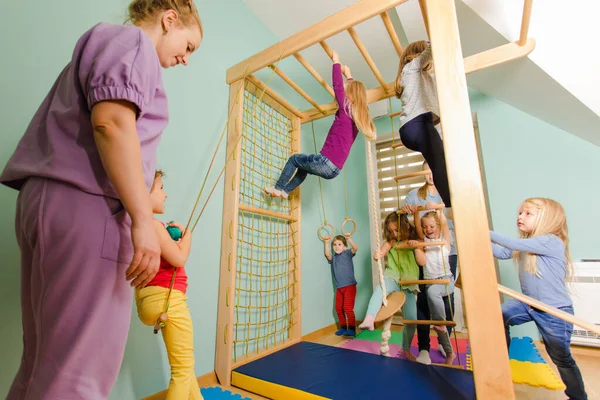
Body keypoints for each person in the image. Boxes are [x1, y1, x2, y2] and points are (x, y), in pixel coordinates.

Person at [0, 1, 203, 397]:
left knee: (42, 360)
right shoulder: (132, 42)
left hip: (47, 204)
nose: (185, 59)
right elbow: (110, 123)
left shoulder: (106, 44)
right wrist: (142, 220)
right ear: (169, 18)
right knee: (78, 372)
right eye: (189, 46)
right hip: (88, 209)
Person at [491, 198, 587, 400]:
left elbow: (513, 243)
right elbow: (502, 252)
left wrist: (483, 231)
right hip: (528, 303)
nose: (520, 217)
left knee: (560, 357)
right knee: (498, 315)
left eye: (527, 213)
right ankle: (500, 362)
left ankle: (578, 396)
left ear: (546, 219)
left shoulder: (551, 241)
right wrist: (474, 239)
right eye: (519, 213)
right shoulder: (526, 244)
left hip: (555, 311)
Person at [265, 50, 375, 198]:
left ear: (350, 96)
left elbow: (337, 86)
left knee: (294, 159)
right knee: (304, 168)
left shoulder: (345, 109)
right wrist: (349, 75)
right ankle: (285, 191)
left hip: (325, 162)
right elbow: (354, 92)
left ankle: (278, 188)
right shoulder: (356, 118)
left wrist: (336, 61)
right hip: (335, 170)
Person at [359, 212, 420, 360]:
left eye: (397, 230)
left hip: (409, 282)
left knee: (412, 319)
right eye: (391, 231)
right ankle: (369, 318)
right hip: (392, 277)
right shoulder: (392, 242)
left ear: (406, 226)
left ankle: (405, 349)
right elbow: (383, 249)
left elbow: (420, 256)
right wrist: (378, 254)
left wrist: (416, 246)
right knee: (380, 289)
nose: (394, 234)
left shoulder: (412, 241)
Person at [324, 234, 358, 337]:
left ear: (345, 246)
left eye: (339, 244)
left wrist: (349, 238)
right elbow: (327, 254)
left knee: (347, 308)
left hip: (350, 286)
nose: (337, 246)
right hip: (339, 288)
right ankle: (343, 327)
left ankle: (352, 328)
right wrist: (326, 243)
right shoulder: (333, 258)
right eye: (334, 245)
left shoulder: (347, 254)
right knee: (338, 308)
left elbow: (355, 248)